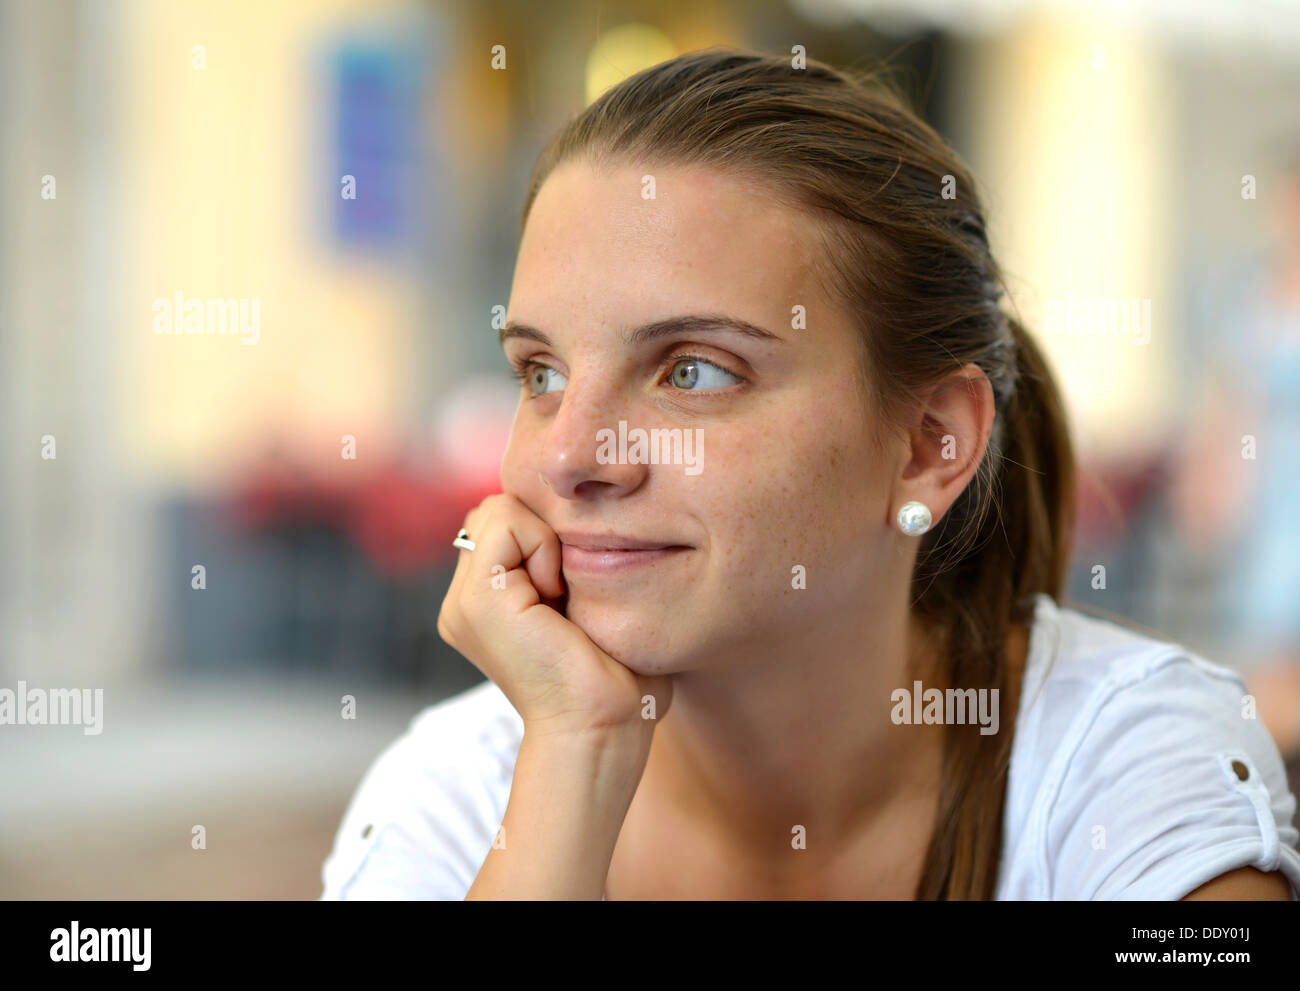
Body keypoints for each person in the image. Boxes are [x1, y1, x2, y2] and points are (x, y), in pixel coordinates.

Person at [320, 48, 1299, 900]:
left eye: (692, 370)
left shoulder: (1120, 762)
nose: (570, 457)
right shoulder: (460, 792)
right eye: (540, 371)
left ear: (927, 443)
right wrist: (573, 759)